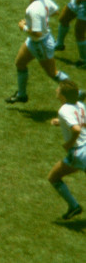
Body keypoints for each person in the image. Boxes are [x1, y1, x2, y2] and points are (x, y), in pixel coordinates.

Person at [5, 0, 70, 103]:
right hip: (34, 41)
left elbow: (37, 33)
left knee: (53, 73)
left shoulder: (33, 10)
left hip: (41, 44)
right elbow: (55, 11)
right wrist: (43, 17)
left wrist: (23, 27)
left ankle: (75, 91)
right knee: (20, 63)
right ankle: (22, 95)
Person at [48, 79, 86, 220]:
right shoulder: (80, 105)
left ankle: (74, 206)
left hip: (79, 152)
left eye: (58, 89)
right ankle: (73, 207)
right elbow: (83, 123)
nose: (56, 90)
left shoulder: (63, 110)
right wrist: (62, 122)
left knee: (53, 177)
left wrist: (68, 144)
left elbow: (76, 129)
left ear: (63, 96)